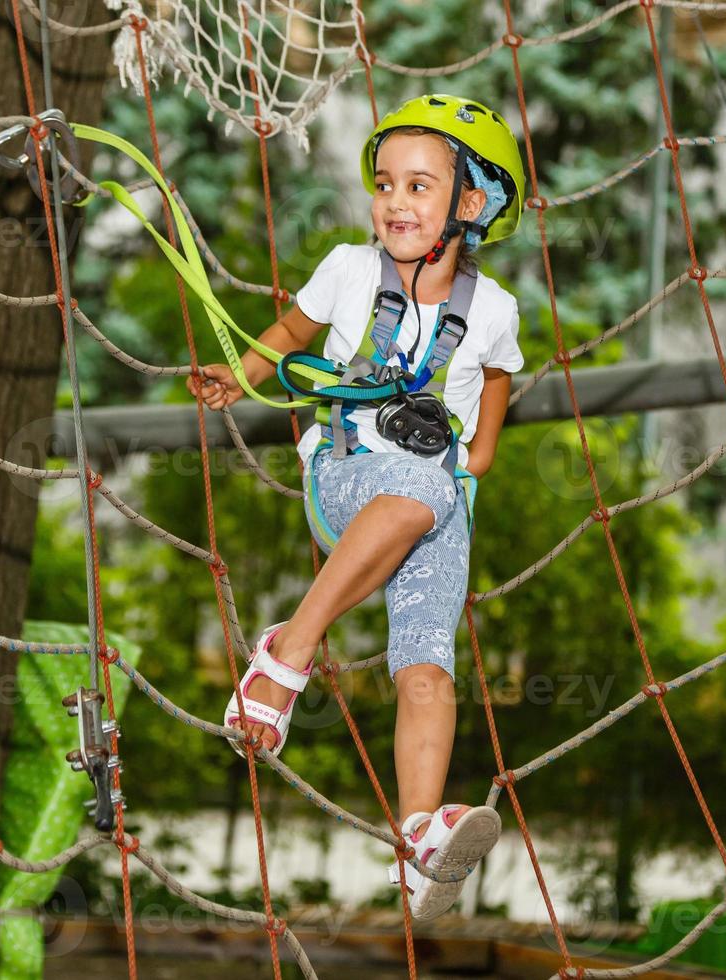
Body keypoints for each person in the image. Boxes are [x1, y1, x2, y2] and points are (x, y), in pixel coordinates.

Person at [186, 94, 526, 921]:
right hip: (347, 478)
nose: (395, 202)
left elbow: (495, 390)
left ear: (469, 206)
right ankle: (286, 655)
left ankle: (417, 837)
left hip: (437, 507)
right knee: (415, 491)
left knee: (427, 663)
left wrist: (475, 462)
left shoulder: (493, 309)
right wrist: (243, 376)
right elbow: (290, 334)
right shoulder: (348, 268)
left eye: (420, 186)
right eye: (385, 184)